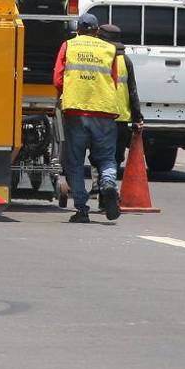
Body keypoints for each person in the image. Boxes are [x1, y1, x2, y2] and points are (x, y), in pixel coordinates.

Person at [54, 12, 123, 223]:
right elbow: (114, 81)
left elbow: (58, 79)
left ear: (78, 29)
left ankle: (82, 209)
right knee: (106, 158)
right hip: (104, 112)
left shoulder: (69, 46)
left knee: (74, 162)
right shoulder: (110, 49)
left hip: (76, 112)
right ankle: (109, 184)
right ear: (97, 31)